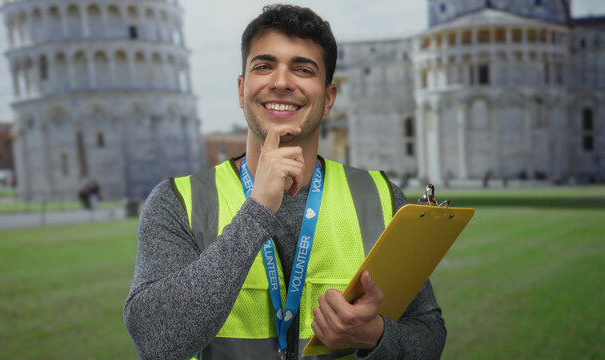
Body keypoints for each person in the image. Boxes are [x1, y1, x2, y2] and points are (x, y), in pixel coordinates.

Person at [124, 5, 446, 360]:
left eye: (302, 69)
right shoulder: (177, 201)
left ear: (329, 99)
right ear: (242, 89)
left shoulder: (382, 197)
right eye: (263, 66)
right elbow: (155, 342)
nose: (280, 82)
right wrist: (257, 209)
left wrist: (375, 336)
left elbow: (430, 334)